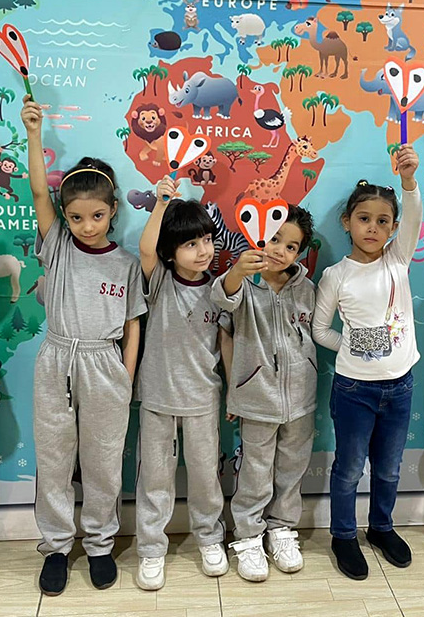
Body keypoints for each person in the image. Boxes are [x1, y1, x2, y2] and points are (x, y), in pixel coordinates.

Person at [21, 97, 147, 595]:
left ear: (113, 211)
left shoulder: (127, 264)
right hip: (57, 359)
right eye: (75, 217)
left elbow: (134, 323)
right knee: (54, 459)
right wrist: (34, 133)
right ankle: (55, 546)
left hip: (106, 365)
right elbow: (37, 192)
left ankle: (99, 543)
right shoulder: (57, 246)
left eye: (96, 215)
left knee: (102, 459)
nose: (86, 225)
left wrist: (126, 375)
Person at [312, 145, 423, 581]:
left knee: (390, 468)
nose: (373, 228)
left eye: (383, 221)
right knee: (349, 468)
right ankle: (343, 535)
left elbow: (413, 214)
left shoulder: (398, 260)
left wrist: (409, 182)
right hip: (354, 388)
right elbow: (320, 330)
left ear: (393, 228)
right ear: (347, 223)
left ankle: (381, 528)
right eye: (364, 219)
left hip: (401, 385)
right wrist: (354, 345)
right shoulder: (336, 276)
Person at [133, 176, 232, 590]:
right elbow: (144, 249)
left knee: (206, 476)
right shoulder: (159, 283)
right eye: (191, 244)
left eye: (207, 240)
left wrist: (236, 392)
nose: (203, 250)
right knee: (155, 477)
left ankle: (210, 538)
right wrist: (161, 204)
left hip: (203, 400)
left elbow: (227, 343)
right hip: (157, 398)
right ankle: (151, 548)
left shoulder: (220, 289)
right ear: (171, 253)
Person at [211, 204, 317, 582]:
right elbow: (222, 305)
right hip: (256, 398)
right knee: (254, 471)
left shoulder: (306, 288)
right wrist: (238, 270)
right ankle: (248, 535)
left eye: (291, 246)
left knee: (291, 468)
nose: (279, 250)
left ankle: (281, 529)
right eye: (274, 239)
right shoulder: (242, 282)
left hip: (301, 398)